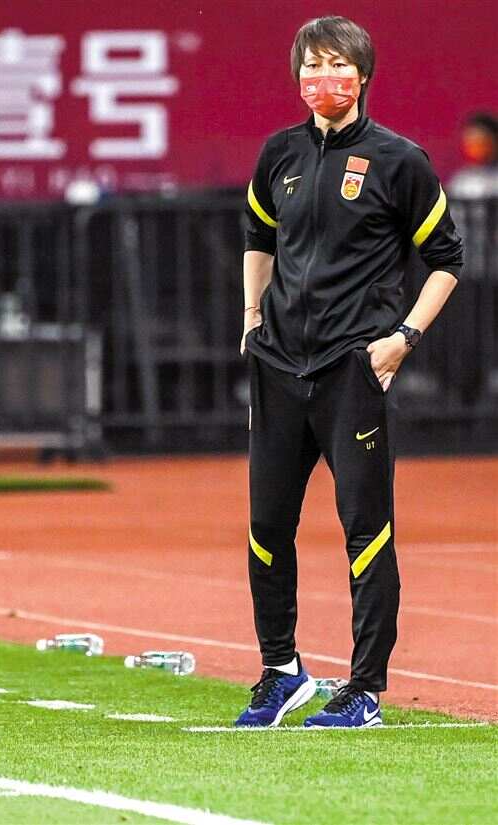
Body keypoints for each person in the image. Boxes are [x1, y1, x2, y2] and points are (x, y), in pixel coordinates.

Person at [236, 16, 463, 729]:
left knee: (366, 529)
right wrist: (251, 317)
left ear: (362, 76)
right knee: (266, 525)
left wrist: (403, 338)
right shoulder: (279, 153)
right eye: (310, 64)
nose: (321, 77)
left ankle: (363, 689)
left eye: (335, 64)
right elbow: (258, 238)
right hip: (278, 366)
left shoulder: (399, 159)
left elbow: (447, 261)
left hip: (352, 368)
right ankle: (281, 671)